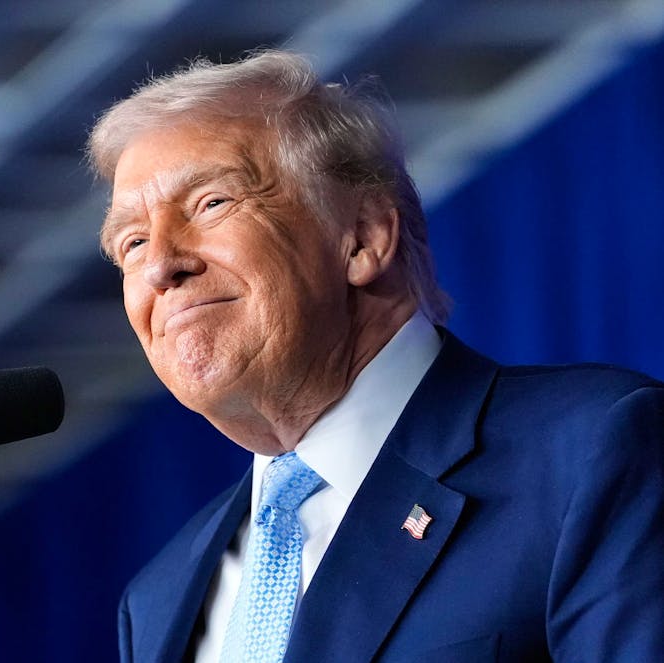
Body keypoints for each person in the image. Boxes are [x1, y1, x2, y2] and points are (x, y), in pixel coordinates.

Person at [87, 50, 664, 662]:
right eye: (132, 242)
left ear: (363, 238)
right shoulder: (157, 600)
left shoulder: (592, 451)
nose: (158, 266)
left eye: (211, 204)